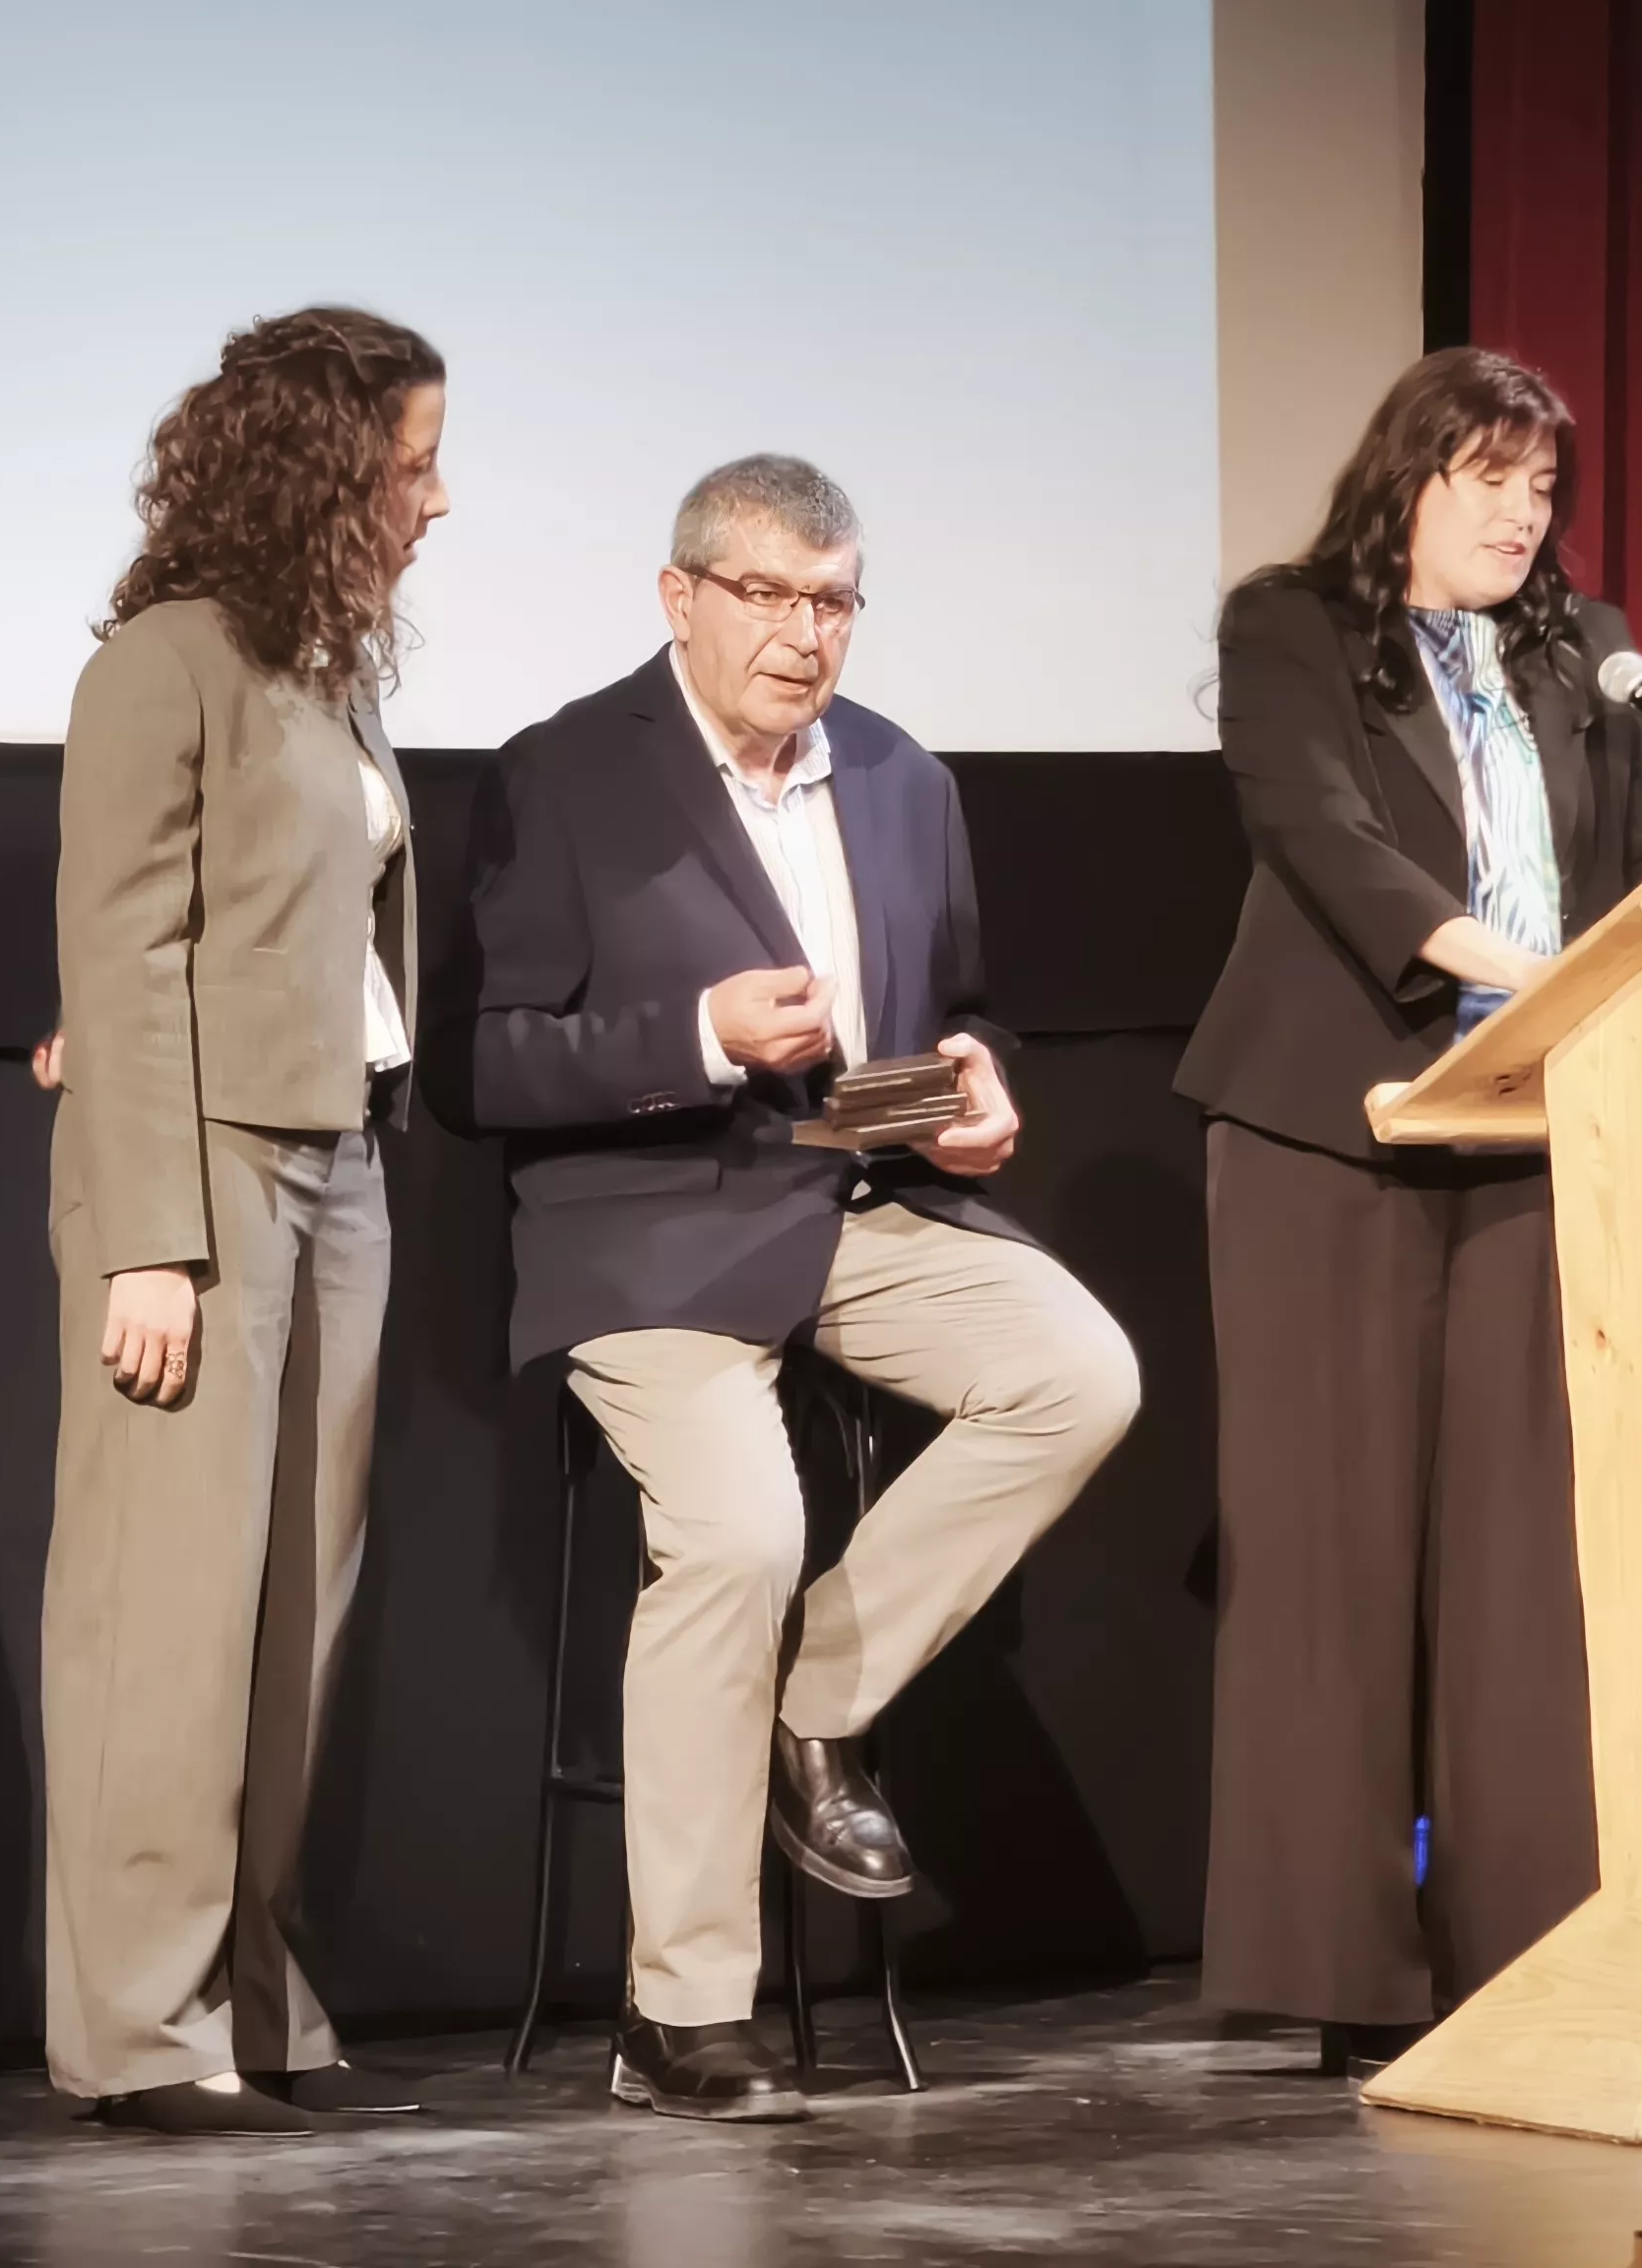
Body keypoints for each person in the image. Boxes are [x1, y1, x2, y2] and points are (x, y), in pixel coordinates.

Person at [432, 455, 1140, 2123]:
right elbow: (481, 1061)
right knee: (742, 1529)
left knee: (1082, 1372)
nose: (804, 635)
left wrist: (971, 1089)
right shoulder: (563, 774)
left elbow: (958, 1008)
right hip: (651, 1224)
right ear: (680, 599)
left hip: (857, 1192)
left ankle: (806, 1704)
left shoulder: (901, 778)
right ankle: (674, 2015)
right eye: (767, 595)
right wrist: (696, 1038)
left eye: (832, 602)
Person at [1176, 347, 1642, 2075]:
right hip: (1327, 1132)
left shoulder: (1580, 650)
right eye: (1487, 476)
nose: (1520, 512)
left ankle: (1526, 1947)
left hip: (1538, 1128)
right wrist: (1530, 967)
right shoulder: (1289, 628)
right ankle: (1340, 1972)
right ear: (1407, 479)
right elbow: (1323, 837)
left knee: (1517, 1565)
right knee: (1333, 1553)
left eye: (1542, 486)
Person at [40, 305, 447, 2138]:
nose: (440, 499)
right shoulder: (167, 661)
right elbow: (121, 952)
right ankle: (141, 2024)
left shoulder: (327, 667)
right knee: (170, 1610)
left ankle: (254, 1995)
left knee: (300, 1604)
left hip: (342, 1151)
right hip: (197, 1170)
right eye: (414, 464)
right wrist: (146, 1237)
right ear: (326, 472)